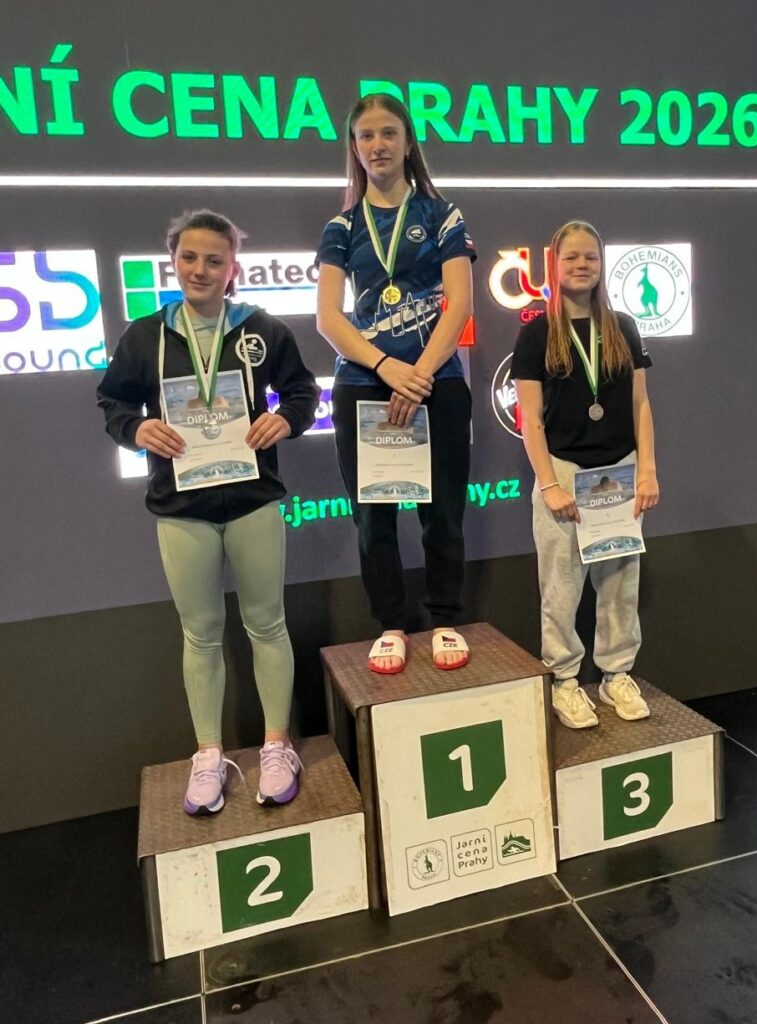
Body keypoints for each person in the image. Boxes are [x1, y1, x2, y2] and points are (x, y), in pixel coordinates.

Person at [98, 209, 319, 813]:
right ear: (174, 262)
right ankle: (208, 754)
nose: (200, 269)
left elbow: (303, 392)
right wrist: (136, 429)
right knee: (200, 633)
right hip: (181, 507)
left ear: (232, 269)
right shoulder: (145, 336)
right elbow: (113, 401)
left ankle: (277, 747)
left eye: (214, 260)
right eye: (190, 257)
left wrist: (286, 419)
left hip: (253, 501)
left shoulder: (262, 329)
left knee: (267, 624)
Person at [316, 94, 475, 674]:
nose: (377, 145)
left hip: (438, 382)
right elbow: (328, 319)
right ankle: (391, 624)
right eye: (366, 136)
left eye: (388, 133)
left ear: (408, 142)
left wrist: (419, 375)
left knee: (443, 512)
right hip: (364, 384)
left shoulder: (443, 214)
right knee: (373, 517)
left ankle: (444, 617)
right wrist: (387, 369)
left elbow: (460, 304)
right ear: (354, 149)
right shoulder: (340, 227)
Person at [511, 220, 659, 729]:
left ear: (602, 264)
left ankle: (616, 675)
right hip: (563, 472)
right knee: (561, 588)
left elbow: (640, 405)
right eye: (571, 257)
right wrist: (549, 484)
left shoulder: (623, 327)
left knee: (619, 583)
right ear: (554, 265)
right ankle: (565, 681)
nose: (581, 265)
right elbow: (529, 418)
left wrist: (647, 471)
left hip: (619, 473)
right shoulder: (536, 332)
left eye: (590, 257)